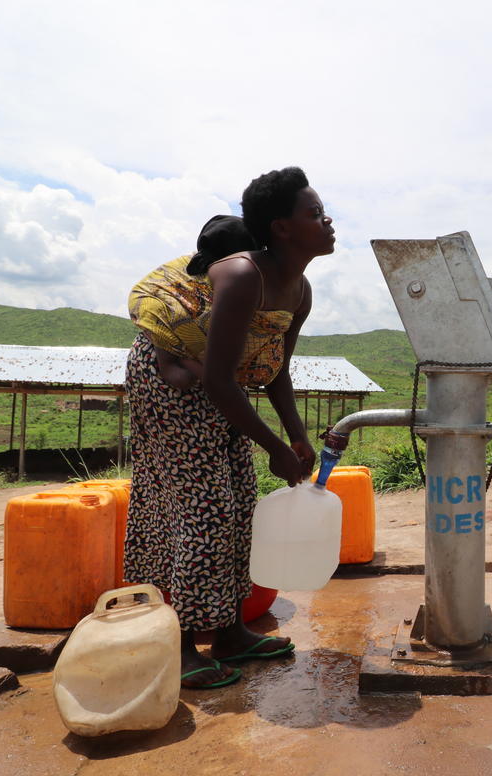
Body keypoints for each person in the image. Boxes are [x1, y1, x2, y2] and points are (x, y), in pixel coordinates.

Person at [124, 167, 334, 688]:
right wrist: (273, 449)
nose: (328, 221)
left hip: (221, 385)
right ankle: (180, 647)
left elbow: (274, 366)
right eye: (314, 213)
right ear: (281, 227)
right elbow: (217, 380)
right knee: (203, 509)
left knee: (240, 501)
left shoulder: (299, 288)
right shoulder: (243, 276)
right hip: (174, 382)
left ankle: (229, 632)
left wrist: (296, 435)